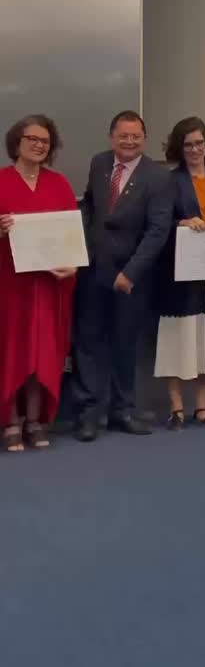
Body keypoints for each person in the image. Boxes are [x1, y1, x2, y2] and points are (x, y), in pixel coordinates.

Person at [71, 110, 172, 442]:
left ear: (145, 139)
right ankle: (87, 415)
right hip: (93, 271)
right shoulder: (99, 163)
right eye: (123, 135)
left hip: (132, 279)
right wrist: (82, 247)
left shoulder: (158, 177)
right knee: (87, 344)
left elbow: (158, 231)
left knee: (125, 345)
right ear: (111, 137)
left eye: (136, 136)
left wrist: (130, 273)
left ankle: (122, 411)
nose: (129, 141)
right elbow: (89, 205)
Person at [0, 115, 78, 452]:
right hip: (9, 285)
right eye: (31, 139)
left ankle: (34, 419)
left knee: (40, 352)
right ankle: (10, 421)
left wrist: (72, 265)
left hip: (48, 286)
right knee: (11, 350)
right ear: (16, 142)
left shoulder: (59, 184)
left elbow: (72, 236)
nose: (38, 145)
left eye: (44, 141)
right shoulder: (1, 181)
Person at [154, 117, 205, 429]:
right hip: (181, 271)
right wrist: (183, 223)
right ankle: (176, 408)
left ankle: (203, 407)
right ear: (179, 148)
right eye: (188, 144)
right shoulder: (168, 181)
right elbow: (159, 221)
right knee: (179, 337)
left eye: (199, 143)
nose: (194, 149)